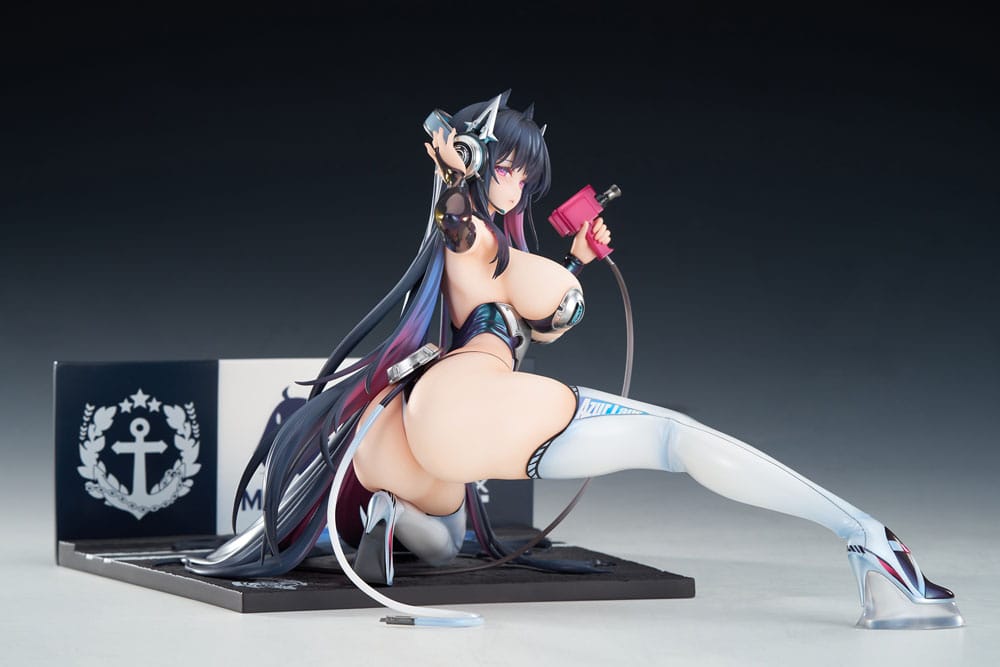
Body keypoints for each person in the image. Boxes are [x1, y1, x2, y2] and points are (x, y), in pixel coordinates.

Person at [185, 91, 963, 629]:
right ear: (480, 161)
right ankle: (870, 544)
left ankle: (391, 514)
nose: (518, 180)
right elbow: (463, 230)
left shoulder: (495, 254)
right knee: (675, 438)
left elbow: (529, 318)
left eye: (527, 172)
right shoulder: (472, 234)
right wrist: (453, 175)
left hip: (428, 428)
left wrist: (576, 263)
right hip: (470, 400)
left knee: (445, 540)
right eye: (508, 165)